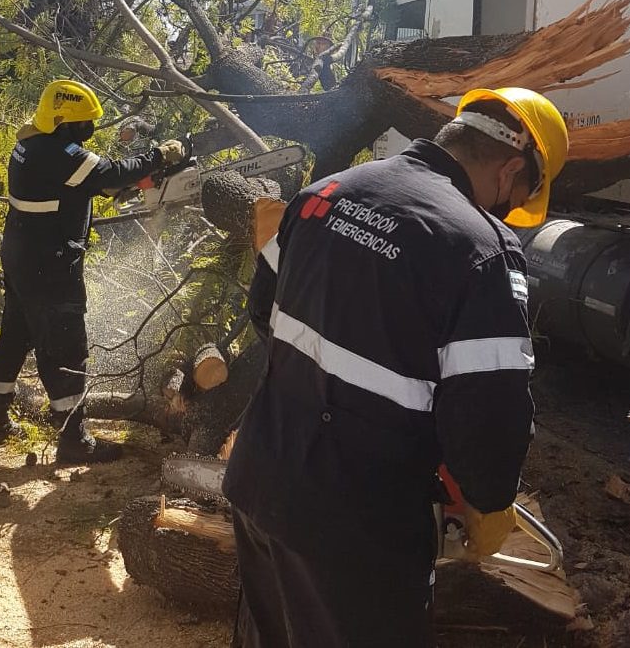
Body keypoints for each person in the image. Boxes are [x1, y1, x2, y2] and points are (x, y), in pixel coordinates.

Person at [222, 86, 569, 648]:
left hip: (262, 477)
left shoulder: (326, 191)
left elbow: (264, 309)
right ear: (510, 170)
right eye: (518, 196)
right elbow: (487, 426)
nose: (506, 211)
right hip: (359, 531)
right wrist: (488, 497)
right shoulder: (483, 252)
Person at [0, 79, 186, 464]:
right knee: (66, 344)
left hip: (23, 251)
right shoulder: (58, 150)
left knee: (15, 333)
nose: (89, 130)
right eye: (84, 123)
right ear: (64, 121)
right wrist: (158, 156)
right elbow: (108, 172)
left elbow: (80, 182)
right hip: (50, 261)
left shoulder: (31, 142)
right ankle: (73, 438)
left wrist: (109, 186)